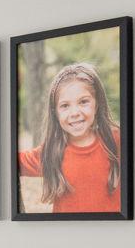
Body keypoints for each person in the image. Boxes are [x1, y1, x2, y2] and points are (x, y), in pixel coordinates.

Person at [18, 62, 122, 213]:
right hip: (66, 234)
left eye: (83, 102)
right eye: (65, 106)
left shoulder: (116, 140)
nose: (74, 112)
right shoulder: (51, 152)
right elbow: (8, 163)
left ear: (97, 104)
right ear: (56, 112)